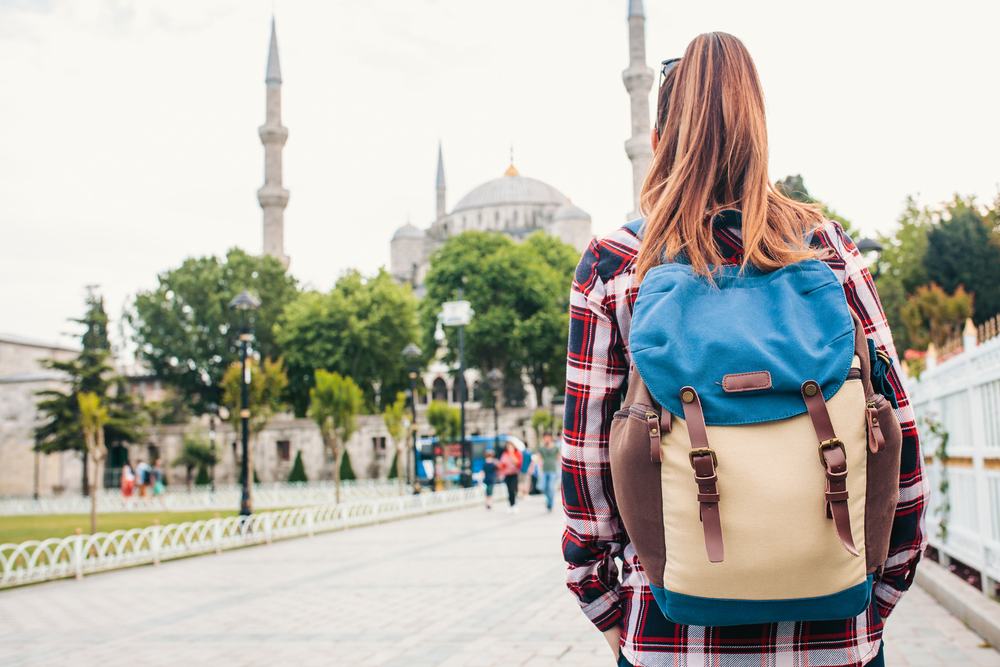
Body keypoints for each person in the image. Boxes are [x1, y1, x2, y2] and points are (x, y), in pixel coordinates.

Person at [561, 32, 927, 667]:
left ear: (657, 143)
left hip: (673, 634)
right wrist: (874, 592)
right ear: (760, 133)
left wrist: (607, 609)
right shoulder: (824, 250)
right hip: (835, 637)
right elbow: (901, 444)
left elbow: (586, 473)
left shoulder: (617, 264)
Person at [538, 433, 560, 512]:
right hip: (544, 470)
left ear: (550, 438)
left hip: (553, 470)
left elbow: (558, 458)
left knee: (551, 487)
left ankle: (550, 504)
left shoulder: (555, 447)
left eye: (547, 438)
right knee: (542, 487)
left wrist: (562, 470)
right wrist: (537, 469)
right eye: (544, 438)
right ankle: (548, 498)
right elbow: (539, 458)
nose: (545, 439)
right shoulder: (542, 448)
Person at [498, 442, 522, 513]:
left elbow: (517, 462)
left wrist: (512, 454)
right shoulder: (505, 454)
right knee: (509, 490)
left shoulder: (517, 453)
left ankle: (514, 504)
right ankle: (511, 505)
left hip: (514, 473)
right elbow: (502, 464)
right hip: (507, 474)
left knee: (512, 489)